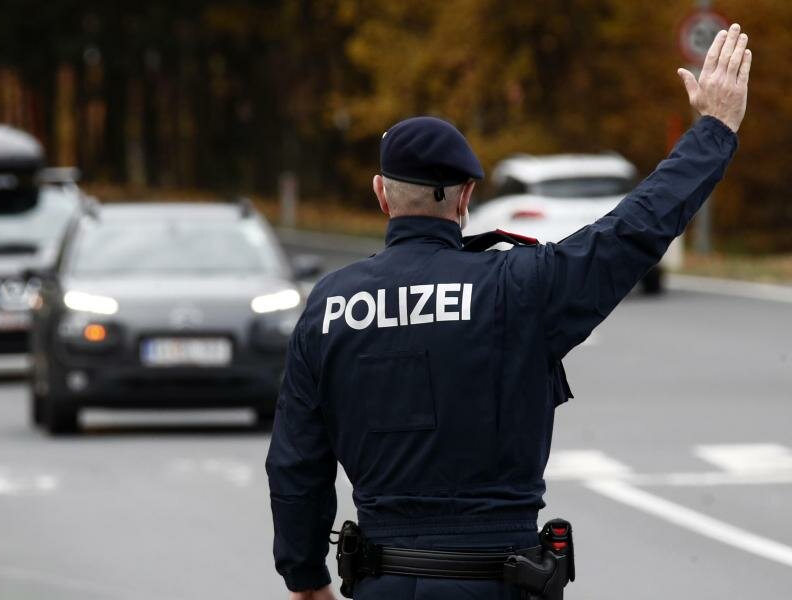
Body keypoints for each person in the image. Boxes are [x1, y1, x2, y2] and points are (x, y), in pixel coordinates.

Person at [266, 24, 751, 600]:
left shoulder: (330, 306)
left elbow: (295, 463)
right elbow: (634, 230)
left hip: (383, 582)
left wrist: (304, 576)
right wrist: (715, 129)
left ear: (380, 193)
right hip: (499, 581)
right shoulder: (519, 286)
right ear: (467, 197)